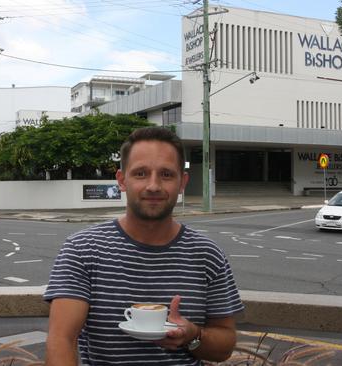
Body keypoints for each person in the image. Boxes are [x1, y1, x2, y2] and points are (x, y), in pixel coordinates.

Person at [44, 126, 244, 365]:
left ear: (183, 182)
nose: (153, 186)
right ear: (122, 180)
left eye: (166, 174)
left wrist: (193, 335)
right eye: (140, 173)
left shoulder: (208, 255)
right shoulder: (82, 250)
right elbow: (61, 340)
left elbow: (224, 346)